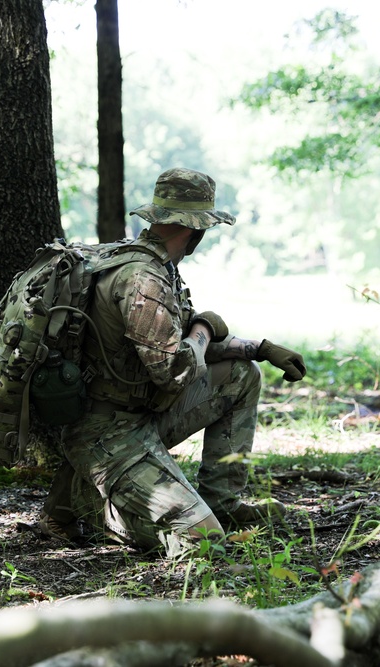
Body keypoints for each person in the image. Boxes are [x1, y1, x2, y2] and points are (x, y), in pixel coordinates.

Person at [38, 167, 307, 557]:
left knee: (240, 375)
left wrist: (259, 347)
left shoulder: (148, 264)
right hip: (108, 434)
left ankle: (222, 504)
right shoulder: (142, 279)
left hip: (137, 416)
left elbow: (169, 343)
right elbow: (177, 367)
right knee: (204, 542)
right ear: (195, 231)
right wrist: (202, 327)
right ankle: (90, 508)